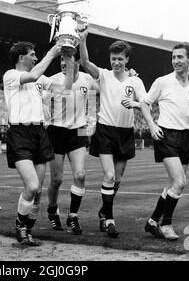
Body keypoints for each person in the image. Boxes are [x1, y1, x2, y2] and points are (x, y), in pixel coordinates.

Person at [79, 31, 146, 238]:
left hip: (125, 133)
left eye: (120, 59)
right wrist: (82, 40)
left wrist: (134, 103)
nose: (116, 62)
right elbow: (85, 61)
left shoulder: (135, 81)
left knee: (116, 180)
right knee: (108, 175)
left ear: (127, 59)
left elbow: (144, 102)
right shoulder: (104, 75)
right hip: (105, 130)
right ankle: (109, 219)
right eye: (113, 58)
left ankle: (103, 211)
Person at [140, 43, 189, 240]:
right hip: (166, 135)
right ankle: (166, 224)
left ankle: (152, 222)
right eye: (173, 57)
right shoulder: (162, 81)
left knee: (173, 184)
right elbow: (145, 103)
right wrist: (152, 126)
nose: (176, 61)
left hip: (186, 136)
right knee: (180, 182)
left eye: (180, 57)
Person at [3, 41, 62, 246]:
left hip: (39, 132)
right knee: (33, 185)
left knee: (37, 192)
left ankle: (28, 231)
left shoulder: (40, 78)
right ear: (21, 57)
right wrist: (52, 53)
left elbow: (67, 85)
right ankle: (20, 226)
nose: (36, 57)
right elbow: (35, 75)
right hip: (19, 133)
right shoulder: (11, 75)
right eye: (33, 54)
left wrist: (71, 59)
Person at [46, 51, 96, 235]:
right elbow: (43, 103)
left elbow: (91, 106)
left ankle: (73, 216)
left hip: (78, 132)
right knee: (57, 179)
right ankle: (52, 209)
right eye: (61, 59)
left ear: (77, 62)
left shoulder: (87, 80)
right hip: (56, 132)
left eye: (67, 58)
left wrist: (88, 133)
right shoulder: (53, 80)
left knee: (80, 175)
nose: (63, 62)